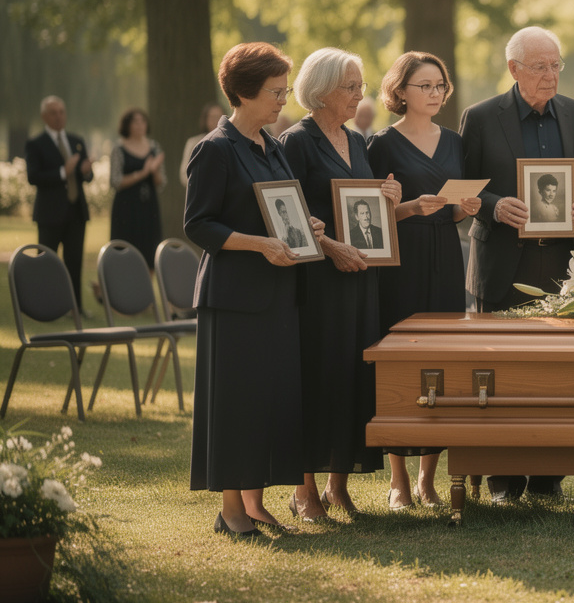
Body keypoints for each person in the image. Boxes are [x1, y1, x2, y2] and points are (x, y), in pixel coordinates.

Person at [187, 42, 318, 536]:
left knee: (270, 399)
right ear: (242, 93)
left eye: (285, 90)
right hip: (235, 298)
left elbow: (284, 211)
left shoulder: (273, 145)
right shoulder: (214, 150)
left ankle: (256, 504)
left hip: (279, 293)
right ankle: (231, 511)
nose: (283, 100)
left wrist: (310, 228)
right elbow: (198, 225)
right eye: (275, 92)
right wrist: (259, 244)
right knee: (238, 404)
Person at [459, 25, 574, 503]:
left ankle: (547, 478)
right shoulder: (479, 117)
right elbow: (463, 183)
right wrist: (494, 205)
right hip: (502, 261)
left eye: (556, 65)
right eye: (540, 66)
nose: (551, 75)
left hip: (561, 265)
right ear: (513, 69)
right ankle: (503, 480)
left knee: (557, 373)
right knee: (500, 373)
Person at [278, 48, 395, 522]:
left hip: (360, 280)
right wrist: (332, 250)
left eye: (360, 84)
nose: (359, 93)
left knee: (351, 375)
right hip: (318, 282)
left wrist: (390, 199)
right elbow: (288, 214)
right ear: (320, 90)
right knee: (318, 377)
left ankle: (337, 487)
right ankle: (304, 491)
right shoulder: (296, 142)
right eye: (350, 86)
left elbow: (365, 210)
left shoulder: (358, 141)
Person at [368, 51, 481, 511]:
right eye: (425, 86)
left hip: (445, 256)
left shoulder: (455, 141)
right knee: (401, 364)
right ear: (400, 92)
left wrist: (464, 208)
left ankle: (427, 480)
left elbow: (455, 204)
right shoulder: (380, 145)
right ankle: (397, 481)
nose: (435, 94)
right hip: (402, 258)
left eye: (440, 86)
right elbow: (369, 218)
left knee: (443, 362)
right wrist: (412, 207)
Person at [25, 96, 94, 311]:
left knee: (74, 262)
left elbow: (87, 177)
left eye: (61, 111)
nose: (58, 116)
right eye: (53, 112)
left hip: (76, 212)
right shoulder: (36, 144)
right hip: (50, 213)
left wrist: (86, 172)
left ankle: (75, 308)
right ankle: (44, 306)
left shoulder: (76, 141)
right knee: (46, 262)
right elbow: (33, 177)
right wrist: (64, 171)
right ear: (44, 116)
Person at [109, 108, 167, 267]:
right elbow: (116, 181)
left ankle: (147, 287)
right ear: (127, 125)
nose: (140, 125)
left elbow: (161, 182)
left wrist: (154, 172)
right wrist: (142, 173)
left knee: (149, 250)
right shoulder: (119, 149)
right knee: (125, 251)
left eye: (143, 121)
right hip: (126, 208)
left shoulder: (155, 147)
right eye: (135, 121)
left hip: (149, 207)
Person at [180, 102, 224, 186]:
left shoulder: (230, 142)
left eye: (219, 117)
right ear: (205, 119)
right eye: (212, 117)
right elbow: (184, 174)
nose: (216, 121)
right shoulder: (194, 142)